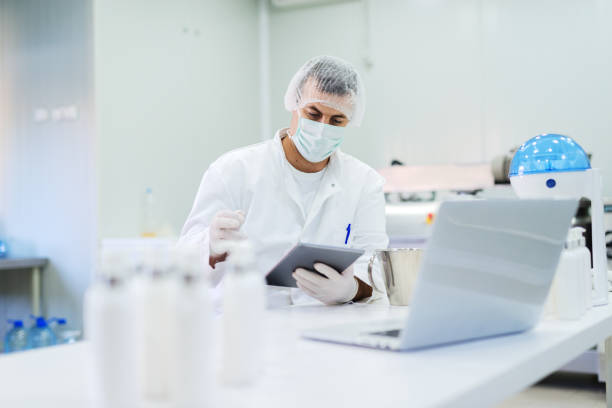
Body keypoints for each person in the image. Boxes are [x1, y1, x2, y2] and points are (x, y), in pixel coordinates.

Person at [179, 55, 388, 306]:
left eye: (336, 120)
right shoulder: (233, 170)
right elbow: (184, 267)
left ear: (350, 121)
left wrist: (351, 290)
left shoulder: (364, 183)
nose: (323, 128)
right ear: (294, 105)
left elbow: (377, 271)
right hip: (245, 322)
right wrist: (210, 247)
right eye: (313, 113)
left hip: (325, 330)